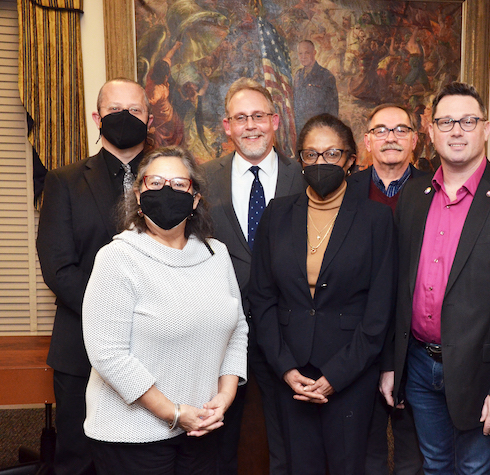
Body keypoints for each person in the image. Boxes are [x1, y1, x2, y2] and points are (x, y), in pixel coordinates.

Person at [381, 82, 490, 474]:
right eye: (446, 122)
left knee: (475, 468)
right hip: (421, 364)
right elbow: (398, 288)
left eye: (468, 121)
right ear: (431, 132)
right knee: (435, 463)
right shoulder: (412, 196)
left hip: (483, 370)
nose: (456, 130)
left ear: (486, 129)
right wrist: (393, 364)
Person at [82, 146, 248, 474]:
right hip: (131, 437)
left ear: (195, 198)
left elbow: (237, 329)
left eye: (178, 184)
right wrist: (173, 413)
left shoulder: (217, 254)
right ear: (138, 195)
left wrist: (224, 398)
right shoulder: (117, 258)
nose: (166, 191)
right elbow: (107, 355)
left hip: (202, 426)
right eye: (155, 183)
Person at [249, 114, 396, 475]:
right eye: (311, 155)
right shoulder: (277, 214)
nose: (320, 163)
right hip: (290, 372)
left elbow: (380, 311)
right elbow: (262, 298)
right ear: (300, 160)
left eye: (331, 154)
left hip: (350, 373)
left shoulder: (376, 220)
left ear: (350, 160)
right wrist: (285, 367)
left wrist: (336, 376)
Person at [36, 78, 153, 475]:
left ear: (149, 118)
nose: (125, 117)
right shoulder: (63, 181)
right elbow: (58, 266)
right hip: (81, 350)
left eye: (135, 110)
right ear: (96, 116)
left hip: (156, 346)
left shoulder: (169, 181)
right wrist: (114, 315)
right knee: (79, 463)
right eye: (115, 109)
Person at [202, 77, 304, 475]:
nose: (251, 126)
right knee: (220, 432)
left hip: (288, 326)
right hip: (222, 327)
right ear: (226, 126)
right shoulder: (203, 177)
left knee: (288, 433)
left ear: (275, 120)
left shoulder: (303, 177)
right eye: (240, 118)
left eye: (258, 116)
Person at [349, 104, 425, 474]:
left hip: (418, 337)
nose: (390, 137)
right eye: (381, 130)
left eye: (400, 129)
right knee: (367, 444)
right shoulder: (346, 190)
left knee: (414, 446)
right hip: (359, 334)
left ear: (414, 139)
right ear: (367, 141)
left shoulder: (435, 189)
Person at [294, 40, 339, 134]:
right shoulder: (298, 75)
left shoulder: (326, 76)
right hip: (300, 130)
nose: (303, 57)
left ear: (314, 53)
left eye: (307, 53)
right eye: (300, 53)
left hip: (318, 129)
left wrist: (328, 131)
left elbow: (333, 109)